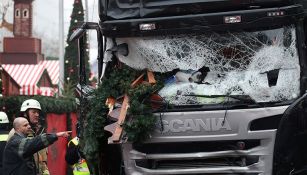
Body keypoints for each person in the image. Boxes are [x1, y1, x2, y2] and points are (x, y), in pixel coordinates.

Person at [3, 117, 71, 175]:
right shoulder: (15, 142)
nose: (29, 126)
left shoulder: (19, 140)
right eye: (25, 125)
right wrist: (56, 135)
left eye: (28, 124)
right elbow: (33, 143)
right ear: (17, 128)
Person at [7, 99, 50, 175]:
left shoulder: (36, 132)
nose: (37, 115)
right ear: (25, 114)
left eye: (38, 112)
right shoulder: (15, 133)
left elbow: (40, 159)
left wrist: (44, 171)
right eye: (33, 112)